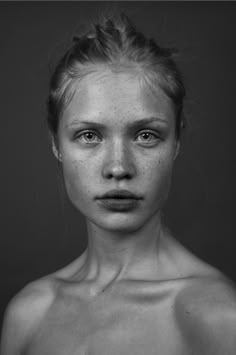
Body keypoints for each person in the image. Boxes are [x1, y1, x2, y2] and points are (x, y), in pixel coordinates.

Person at [1, 13, 236, 355]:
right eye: (89, 135)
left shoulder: (219, 318)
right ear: (55, 143)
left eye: (146, 135)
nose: (118, 167)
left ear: (177, 142)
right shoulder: (28, 314)